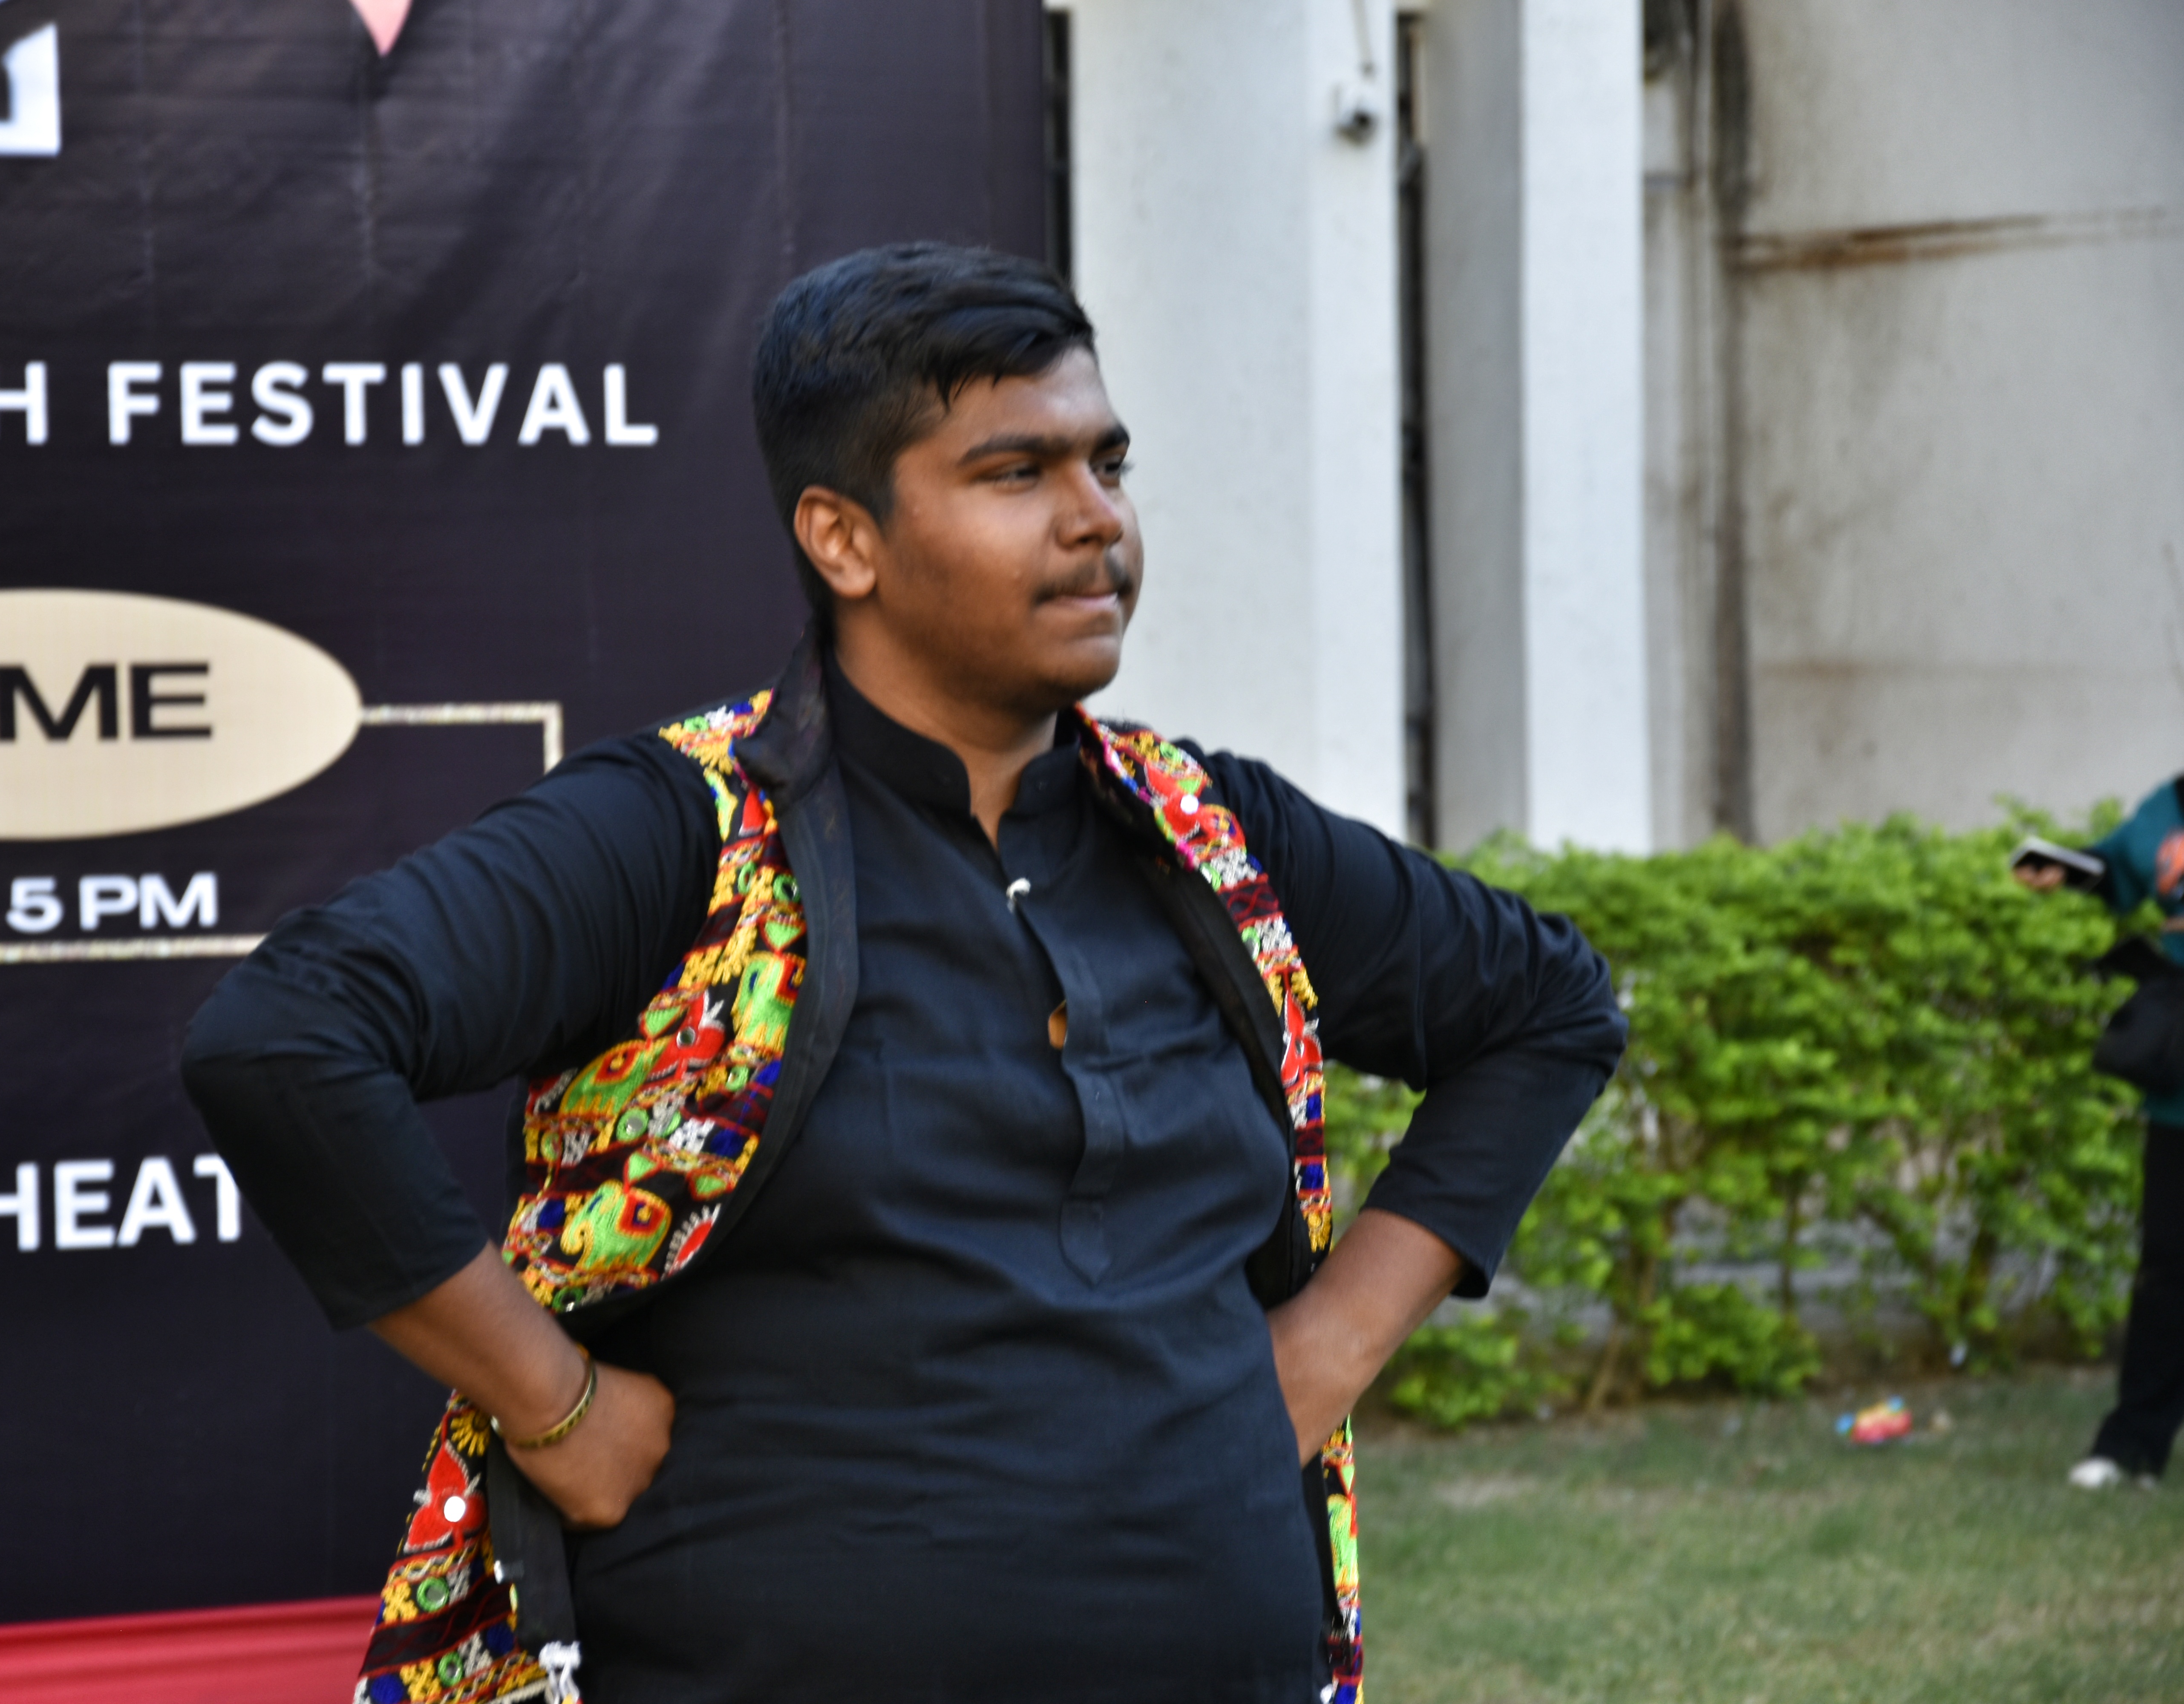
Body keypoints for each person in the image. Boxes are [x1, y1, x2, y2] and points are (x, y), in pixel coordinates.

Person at [181, 243, 1627, 1704]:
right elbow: (289, 1037)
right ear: (844, 539)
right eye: (1018, 474)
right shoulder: (687, 833)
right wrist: (558, 1408)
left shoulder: (1210, 837)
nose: (1097, 520)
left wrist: (1329, 1348)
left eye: (1108, 464)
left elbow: (1547, 1007)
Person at [2019, 776, 2184, 1490]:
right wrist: (2065, 869)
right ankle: (2134, 1446)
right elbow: (2116, 868)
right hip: (2181, 1086)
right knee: (2169, 1264)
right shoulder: (2168, 807)